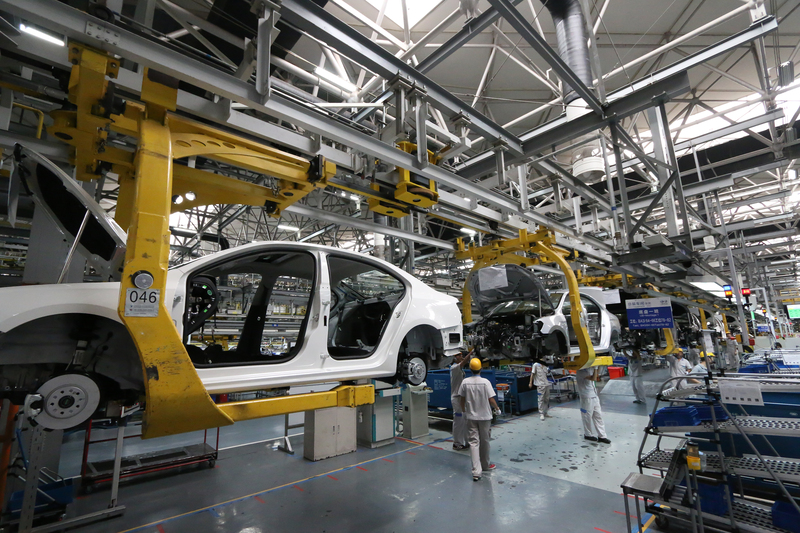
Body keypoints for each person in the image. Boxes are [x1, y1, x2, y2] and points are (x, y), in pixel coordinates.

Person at [459, 358, 502, 481]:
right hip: (485, 417)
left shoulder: (465, 382)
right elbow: (491, 399)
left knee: (473, 443)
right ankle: (486, 465)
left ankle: (476, 472)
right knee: (485, 441)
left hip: (471, 416)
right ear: (481, 369)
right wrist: (497, 408)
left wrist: (463, 411)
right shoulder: (485, 382)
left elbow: (461, 399)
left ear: (470, 369)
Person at [575, 366, 610, 444]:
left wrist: (599, 365)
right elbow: (593, 378)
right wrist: (595, 368)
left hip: (594, 395)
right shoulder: (580, 371)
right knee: (587, 416)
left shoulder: (589, 368)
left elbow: (597, 374)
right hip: (586, 396)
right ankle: (588, 434)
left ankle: (602, 436)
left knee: (598, 416)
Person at [450, 350, 471, 450]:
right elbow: (464, 362)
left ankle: (466, 441)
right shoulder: (454, 367)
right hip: (456, 398)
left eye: (461, 355)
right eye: (458, 355)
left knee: (465, 420)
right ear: (453, 358)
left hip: (462, 398)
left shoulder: (460, 369)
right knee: (458, 421)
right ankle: (456, 443)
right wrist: (471, 353)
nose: (460, 356)